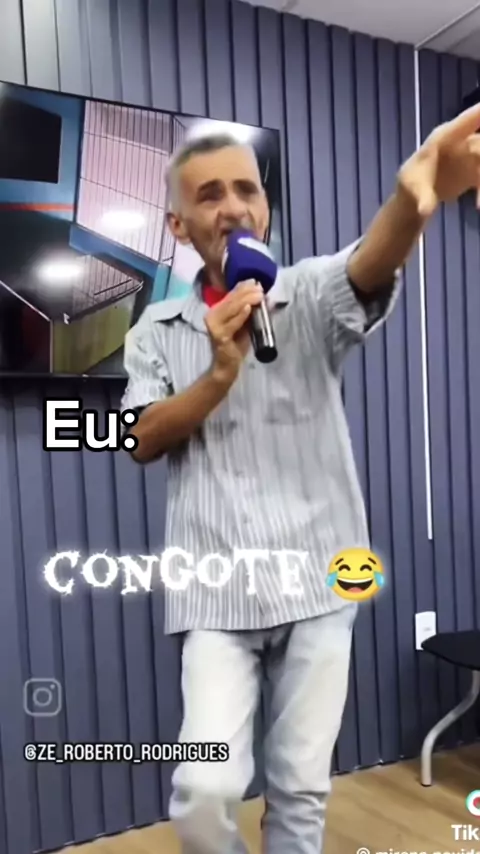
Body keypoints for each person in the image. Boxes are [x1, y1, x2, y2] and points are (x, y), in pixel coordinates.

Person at [120, 105, 480, 854]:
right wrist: (220, 374)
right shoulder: (154, 330)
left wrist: (412, 201)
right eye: (210, 194)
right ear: (179, 225)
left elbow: (369, 263)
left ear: (265, 208)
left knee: (300, 791)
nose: (233, 207)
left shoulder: (307, 293)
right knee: (202, 793)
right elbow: (140, 437)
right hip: (215, 593)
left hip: (321, 584)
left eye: (246, 189)